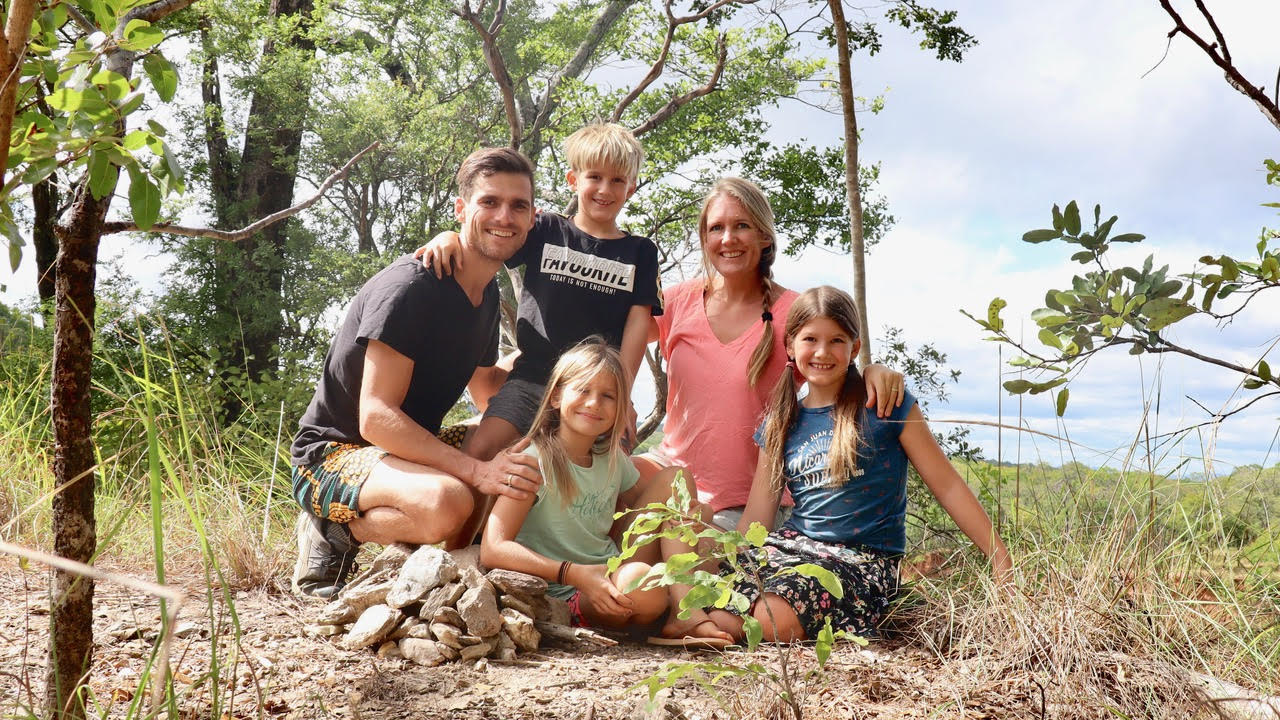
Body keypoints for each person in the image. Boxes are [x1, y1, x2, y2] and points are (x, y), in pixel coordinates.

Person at [672, 286, 1012, 644]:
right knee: (719, 603)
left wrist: (1000, 559)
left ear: (854, 348)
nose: (822, 352)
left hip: (862, 561)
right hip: (789, 549)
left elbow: (948, 485)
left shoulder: (884, 406)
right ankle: (711, 625)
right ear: (789, 345)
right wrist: (727, 564)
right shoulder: (780, 422)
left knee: (773, 618)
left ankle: (731, 628)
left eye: (836, 340)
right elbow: (757, 518)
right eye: (810, 339)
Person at [288, 147, 546, 599]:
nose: (504, 216)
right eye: (489, 202)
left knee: (511, 440)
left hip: (400, 455)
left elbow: (486, 389)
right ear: (462, 208)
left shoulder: (484, 297)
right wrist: (473, 471)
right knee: (449, 501)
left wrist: (547, 374)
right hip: (331, 455)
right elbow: (374, 418)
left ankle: (438, 571)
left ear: (531, 218)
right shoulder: (413, 287)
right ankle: (335, 531)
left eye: (517, 205)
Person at [419, 123, 663, 540]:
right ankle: (459, 554)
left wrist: (620, 395)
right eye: (594, 177)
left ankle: (600, 567)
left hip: (595, 391)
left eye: (617, 180)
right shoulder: (546, 230)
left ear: (632, 188)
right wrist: (448, 236)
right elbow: (490, 239)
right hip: (534, 377)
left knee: (609, 479)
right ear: (574, 179)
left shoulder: (639, 251)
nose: (605, 189)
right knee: (482, 449)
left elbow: (639, 323)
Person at [635, 178, 906, 530]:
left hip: (745, 502)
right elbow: (614, 336)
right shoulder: (677, 301)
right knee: (599, 486)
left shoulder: (790, 312)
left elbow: (832, 359)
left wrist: (874, 369)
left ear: (764, 237)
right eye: (716, 228)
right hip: (668, 473)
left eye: (741, 226)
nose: (728, 238)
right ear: (705, 239)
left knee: (669, 556)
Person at [480, 339, 670, 628]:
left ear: (622, 406)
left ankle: (685, 613)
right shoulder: (534, 462)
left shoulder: (612, 460)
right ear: (556, 397)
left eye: (608, 396)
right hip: (566, 589)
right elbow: (493, 548)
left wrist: (689, 524)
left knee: (675, 482)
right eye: (583, 390)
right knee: (642, 584)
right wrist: (571, 573)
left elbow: (654, 508)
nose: (594, 403)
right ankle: (662, 610)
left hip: (612, 570)